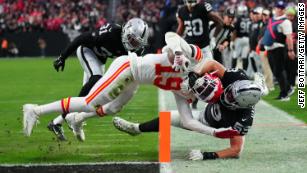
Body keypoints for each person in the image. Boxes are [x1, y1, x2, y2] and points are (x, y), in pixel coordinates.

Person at [23, 32, 238, 141]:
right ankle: (35, 110)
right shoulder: (194, 58)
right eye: (201, 86)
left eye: (199, 93)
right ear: (205, 77)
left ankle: (76, 119)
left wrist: (214, 132)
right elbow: (171, 36)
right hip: (128, 67)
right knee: (89, 102)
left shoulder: (185, 92)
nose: (196, 90)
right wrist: (179, 53)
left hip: (135, 80)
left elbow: (188, 120)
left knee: (113, 108)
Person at [113, 60, 264, 160]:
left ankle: (262, 87)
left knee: (181, 118)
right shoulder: (236, 78)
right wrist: (196, 74)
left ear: (241, 105)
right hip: (207, 111)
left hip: (214, 124)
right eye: (230, 91)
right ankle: (136, 129)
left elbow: (236, 149)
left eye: (232, 98)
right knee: (168, 117)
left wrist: (208, 155)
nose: (227, 96)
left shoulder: (243, 118)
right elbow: (212, 64)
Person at [48, 18, 149, 141]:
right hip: (87, 50)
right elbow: (81, 38)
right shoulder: (110, 33)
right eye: (132, 40)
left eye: (137, 43)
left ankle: (56, 122)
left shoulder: (133, 50)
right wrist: (62, 57)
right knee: (95, 82)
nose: (133, 45)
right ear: (126, 32)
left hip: (100, 59)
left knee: (89, 97)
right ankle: (69, 118)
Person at [176, 0, 224, 109]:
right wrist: (174, 40)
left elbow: (220, 22)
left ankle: (220, 101)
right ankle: (193, 101)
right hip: (190, 50)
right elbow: (181, 28)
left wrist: (214, 38)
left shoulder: (203, 7)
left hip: (204, 48)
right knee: (191, 78)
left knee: (213, 75)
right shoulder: (182, 10)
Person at [261, 1, 295, 101]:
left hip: (279, 49)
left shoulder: (286, 21)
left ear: (284, 9)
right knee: (276, 72)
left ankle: (285, 93)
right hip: (270, 49)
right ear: (275, 8)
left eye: (281, 8)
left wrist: (290, 50)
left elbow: (289, 37)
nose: (279, 9)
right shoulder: (272, 19)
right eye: (277, 7)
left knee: (279, 71)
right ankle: (286, 89)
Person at [231, 4, 251, 71]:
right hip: (247, 39)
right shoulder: (250, 19)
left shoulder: (238, 19)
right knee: (244, 57)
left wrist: (232, 41)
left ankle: (232, 71)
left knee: (235, 55)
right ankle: (245, 72)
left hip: (239, 39)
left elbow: (235, 31)